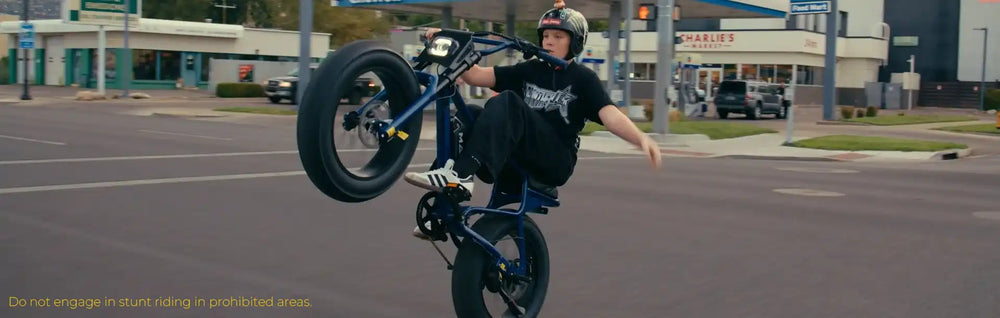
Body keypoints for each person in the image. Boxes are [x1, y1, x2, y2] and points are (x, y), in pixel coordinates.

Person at [405, 1, 662, 239]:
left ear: (574, 43)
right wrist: (449, 41)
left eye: (558, 36)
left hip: (555, 159)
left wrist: (641, 138)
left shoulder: (583, 79)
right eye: (546, 36)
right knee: (469, 113)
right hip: (518, 153)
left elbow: (610, 114)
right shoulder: (530, 69)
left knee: (507, 102)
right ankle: (443, 203)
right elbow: (475, 76)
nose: (549, 41)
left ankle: (460, 175)